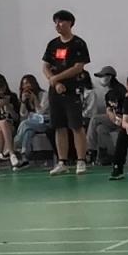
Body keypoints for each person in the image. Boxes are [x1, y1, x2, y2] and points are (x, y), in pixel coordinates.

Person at [42, 10, 91, 176]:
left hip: (73, 89)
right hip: (55, 90)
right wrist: (54, 82)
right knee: (59, 126)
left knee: (76, 126)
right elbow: (45, 66)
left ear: (70, 23)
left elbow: (78, 67)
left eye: (61, 21)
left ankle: (81, 160)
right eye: (55, 22)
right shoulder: (52, 44)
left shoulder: (78, 43)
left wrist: (57, 78)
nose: (58, 25)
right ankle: (62, 161)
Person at [87, 67, 126, 164]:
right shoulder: (108, 93)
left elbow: (120, 110)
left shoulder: (120, 90)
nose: (101, 79)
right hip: (114, 119)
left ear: (109, 77)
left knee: (95, 119)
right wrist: (111, 114)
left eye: (102, 76)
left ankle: (91, 150)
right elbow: (109, 109)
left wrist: (115, 117)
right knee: (101, 129)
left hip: (123, 119)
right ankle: (110, 154)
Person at [12, 74, 48, 171]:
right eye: (23, 84)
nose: (26, 86)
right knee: (27, 131)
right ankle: (25, 159)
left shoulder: (44, 95)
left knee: (25, 124)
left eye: (28, 83)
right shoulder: (24, 98)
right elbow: (23, 115)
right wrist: (23, 102)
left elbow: (41, 113)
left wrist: (35, 100)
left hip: (45, 122)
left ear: (34, 83)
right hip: (31, 125)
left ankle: (14, 145)